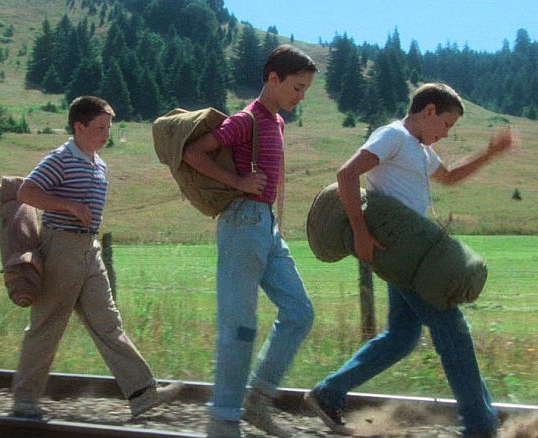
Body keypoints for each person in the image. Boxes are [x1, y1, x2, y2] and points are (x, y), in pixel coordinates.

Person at [304, 83, 514, 438]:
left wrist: (489, 154)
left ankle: (329, 393)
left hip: (409, 256)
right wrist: (359, 232)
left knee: (402, 336)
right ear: (428, 110)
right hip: (403, 255)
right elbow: (347, 174)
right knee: (452, 328)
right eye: (446, 124)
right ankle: (480, 426)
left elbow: (449, 177)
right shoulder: (394, 136)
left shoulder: (418, 148)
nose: (445, 134)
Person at [10, 95, 181, 420]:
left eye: (108, 128)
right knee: (47, 324)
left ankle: (143, 393)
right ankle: (24, 400)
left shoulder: (98, 163)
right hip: (60, 249)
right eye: (100, 127)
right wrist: (69, 206)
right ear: (79, 126)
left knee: (108, 323)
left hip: (89, 251)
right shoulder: (60, 158)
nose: (106, 134)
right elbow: (26, 192)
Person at [183, 45, 318, 438]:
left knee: (300, 312)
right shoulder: (247, 120)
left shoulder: (275, 122)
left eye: (306, 89)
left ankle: (257, 400)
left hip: (266, 228)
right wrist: (238, 182)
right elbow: (195, 152)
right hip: (242, 223)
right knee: (240, 326)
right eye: (297, 87)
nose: (301, 95)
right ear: (272, 79)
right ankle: (224, 420)